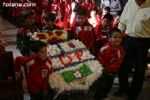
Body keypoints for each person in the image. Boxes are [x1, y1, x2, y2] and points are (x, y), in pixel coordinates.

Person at [114, 0, 150, 100]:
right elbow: (122, 21)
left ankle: (133, 94)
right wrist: (118, 37)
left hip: (144, 41)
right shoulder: (130, 2)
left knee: (140, 69)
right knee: (123, 65)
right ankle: (123, 89)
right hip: (128, 39)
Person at [95, 28, 125, 100]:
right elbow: (100, 56)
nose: (117, 39)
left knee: (109, 86)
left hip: (112, 72)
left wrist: (110, 68)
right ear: (109, 38)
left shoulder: (121, 50)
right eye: (115, 37)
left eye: (119, 37)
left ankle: (104, 96)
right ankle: (98, 97)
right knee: (101, 86)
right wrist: (104, 66)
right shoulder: (105, 48)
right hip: (103, 71)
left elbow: (119, 61)